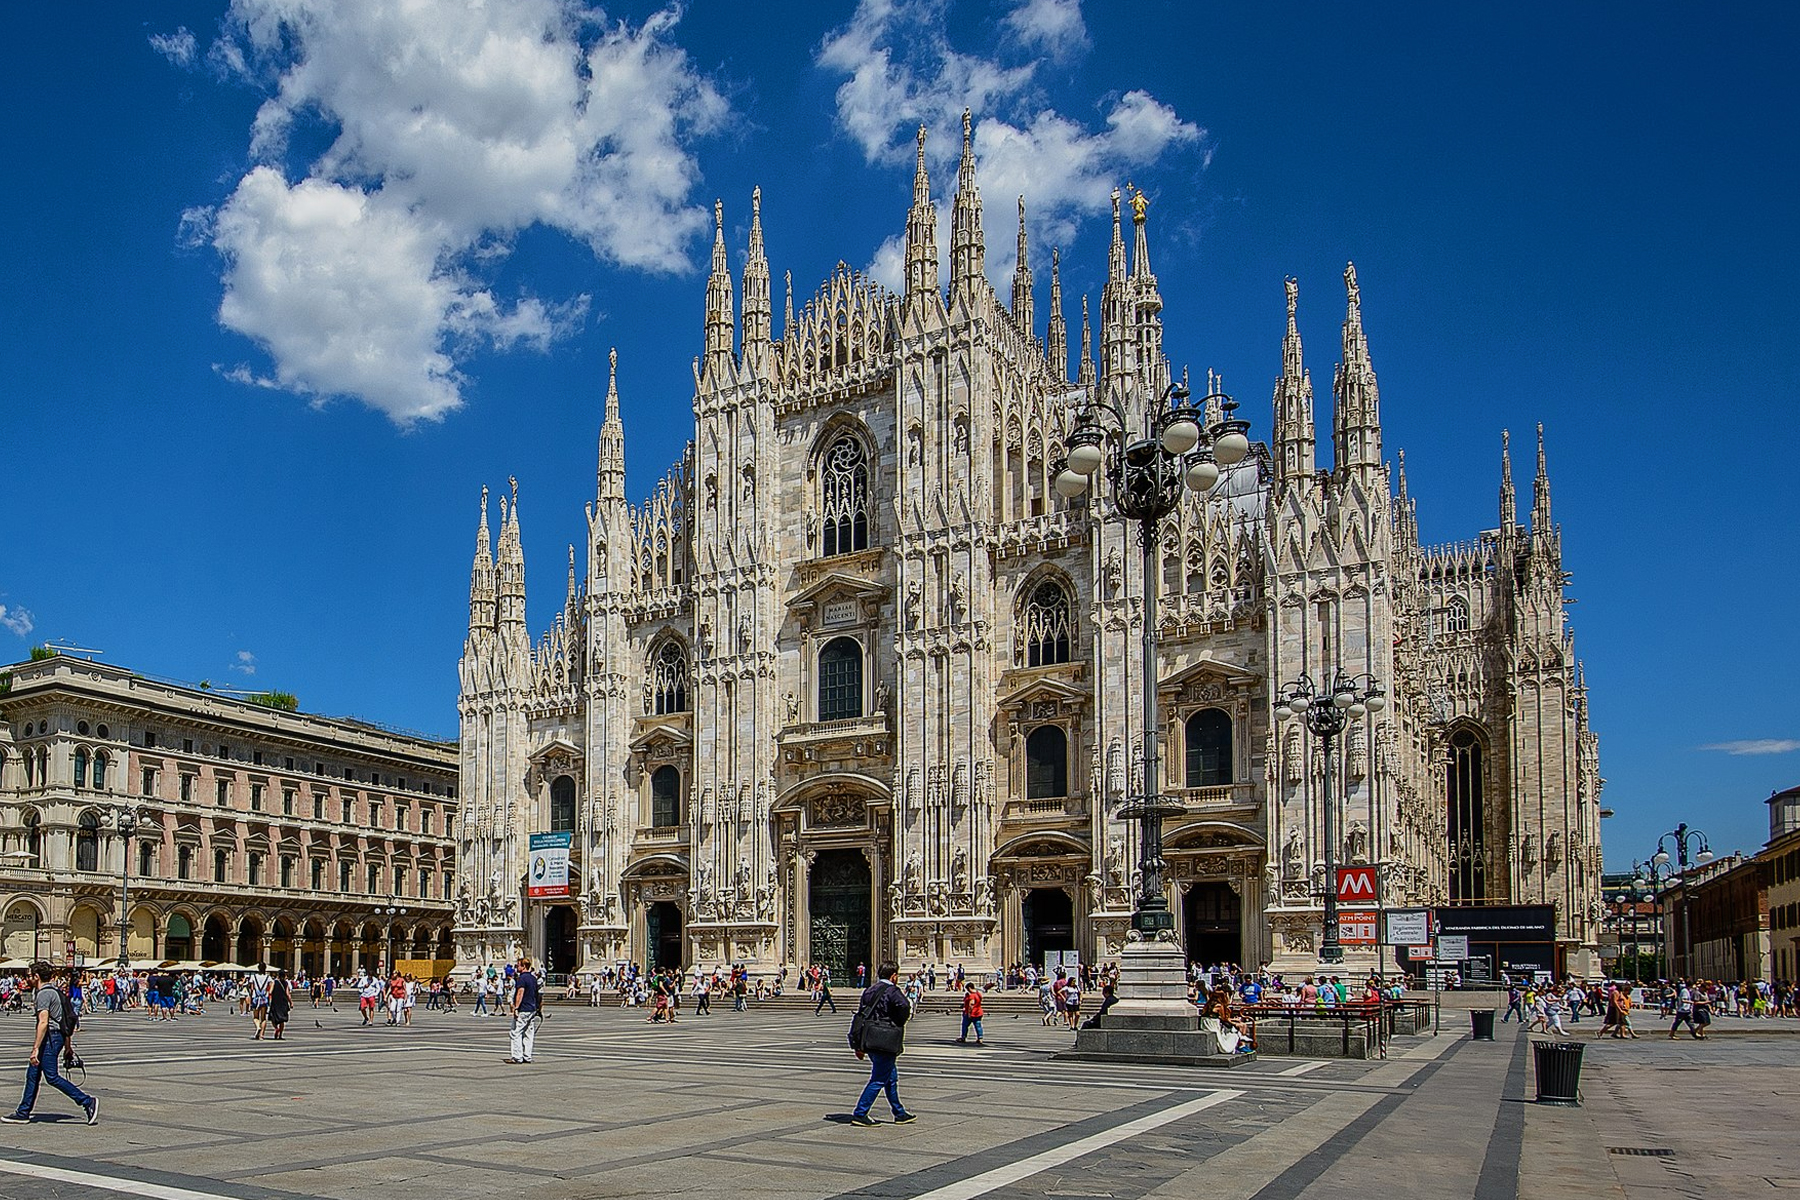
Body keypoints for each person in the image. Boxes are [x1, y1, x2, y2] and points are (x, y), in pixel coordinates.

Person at [4, 962, 97, 1126]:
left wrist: (35, 1049)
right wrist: (68, 1046)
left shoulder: (44, 994)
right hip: (57, 1036)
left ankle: (86, 1101)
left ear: (36, 976)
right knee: (32, 1074)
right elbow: (66, 1021)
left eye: (29, 975)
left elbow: (43, 1023)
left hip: (51, 1037)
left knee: (52, 1076)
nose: (27, 979)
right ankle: (23, 1112)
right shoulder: (55, 992)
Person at [847, 961, 916, 1127]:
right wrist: (897, 1022)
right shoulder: (892, 990)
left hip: (871, 1038)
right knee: (878, 1078)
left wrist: (859, 1045)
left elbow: (863, 1014)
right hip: (885, 1040)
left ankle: (899, 1112)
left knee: (890, 1078)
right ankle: (860, 1113)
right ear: (893, 976)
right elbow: (904, 1006)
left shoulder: (869, 990)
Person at [505, 956, 541, 1064]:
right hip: (532, 1009)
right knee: (529, 1033)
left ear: (524, 966)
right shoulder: (534, 978)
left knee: (516, 1032)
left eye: (518, 965)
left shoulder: (522, 978)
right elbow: (538, 994)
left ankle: (517, 1057)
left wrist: (516, 1008)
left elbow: (520, 993)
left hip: (524, 1009)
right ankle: (527, 1056)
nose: (516, 967)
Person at [956, 982, 985, 1046]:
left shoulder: (972, 995)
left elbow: (971, 1004)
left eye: (967, 989)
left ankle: (963, 1037)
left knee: (965, 1026)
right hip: (978, 1012)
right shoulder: (978, 994)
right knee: (978, 1026)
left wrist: (969, 1013)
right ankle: (980, 1038)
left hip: (972, 1013)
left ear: (969, 988)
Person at [250, 963, 273, 1040]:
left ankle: (258, 1027)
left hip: (256, 998)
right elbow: (272, 984)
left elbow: (252, 988)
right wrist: (269, 992)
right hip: (264, 998)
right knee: (263, 1018)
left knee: (256, 1017)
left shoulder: (253, 977)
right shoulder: (268, 977)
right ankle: (261, 1035)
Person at [267, 969, 292, 1040]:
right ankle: (280, 1034)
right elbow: (287, 994)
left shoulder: (274, 982)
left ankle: (276, 1028)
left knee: (273, 1017)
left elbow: (270, 992)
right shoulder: (286, 983)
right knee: (282, 1020)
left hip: (275, 1002)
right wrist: (291, 1002)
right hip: (283, 1003)